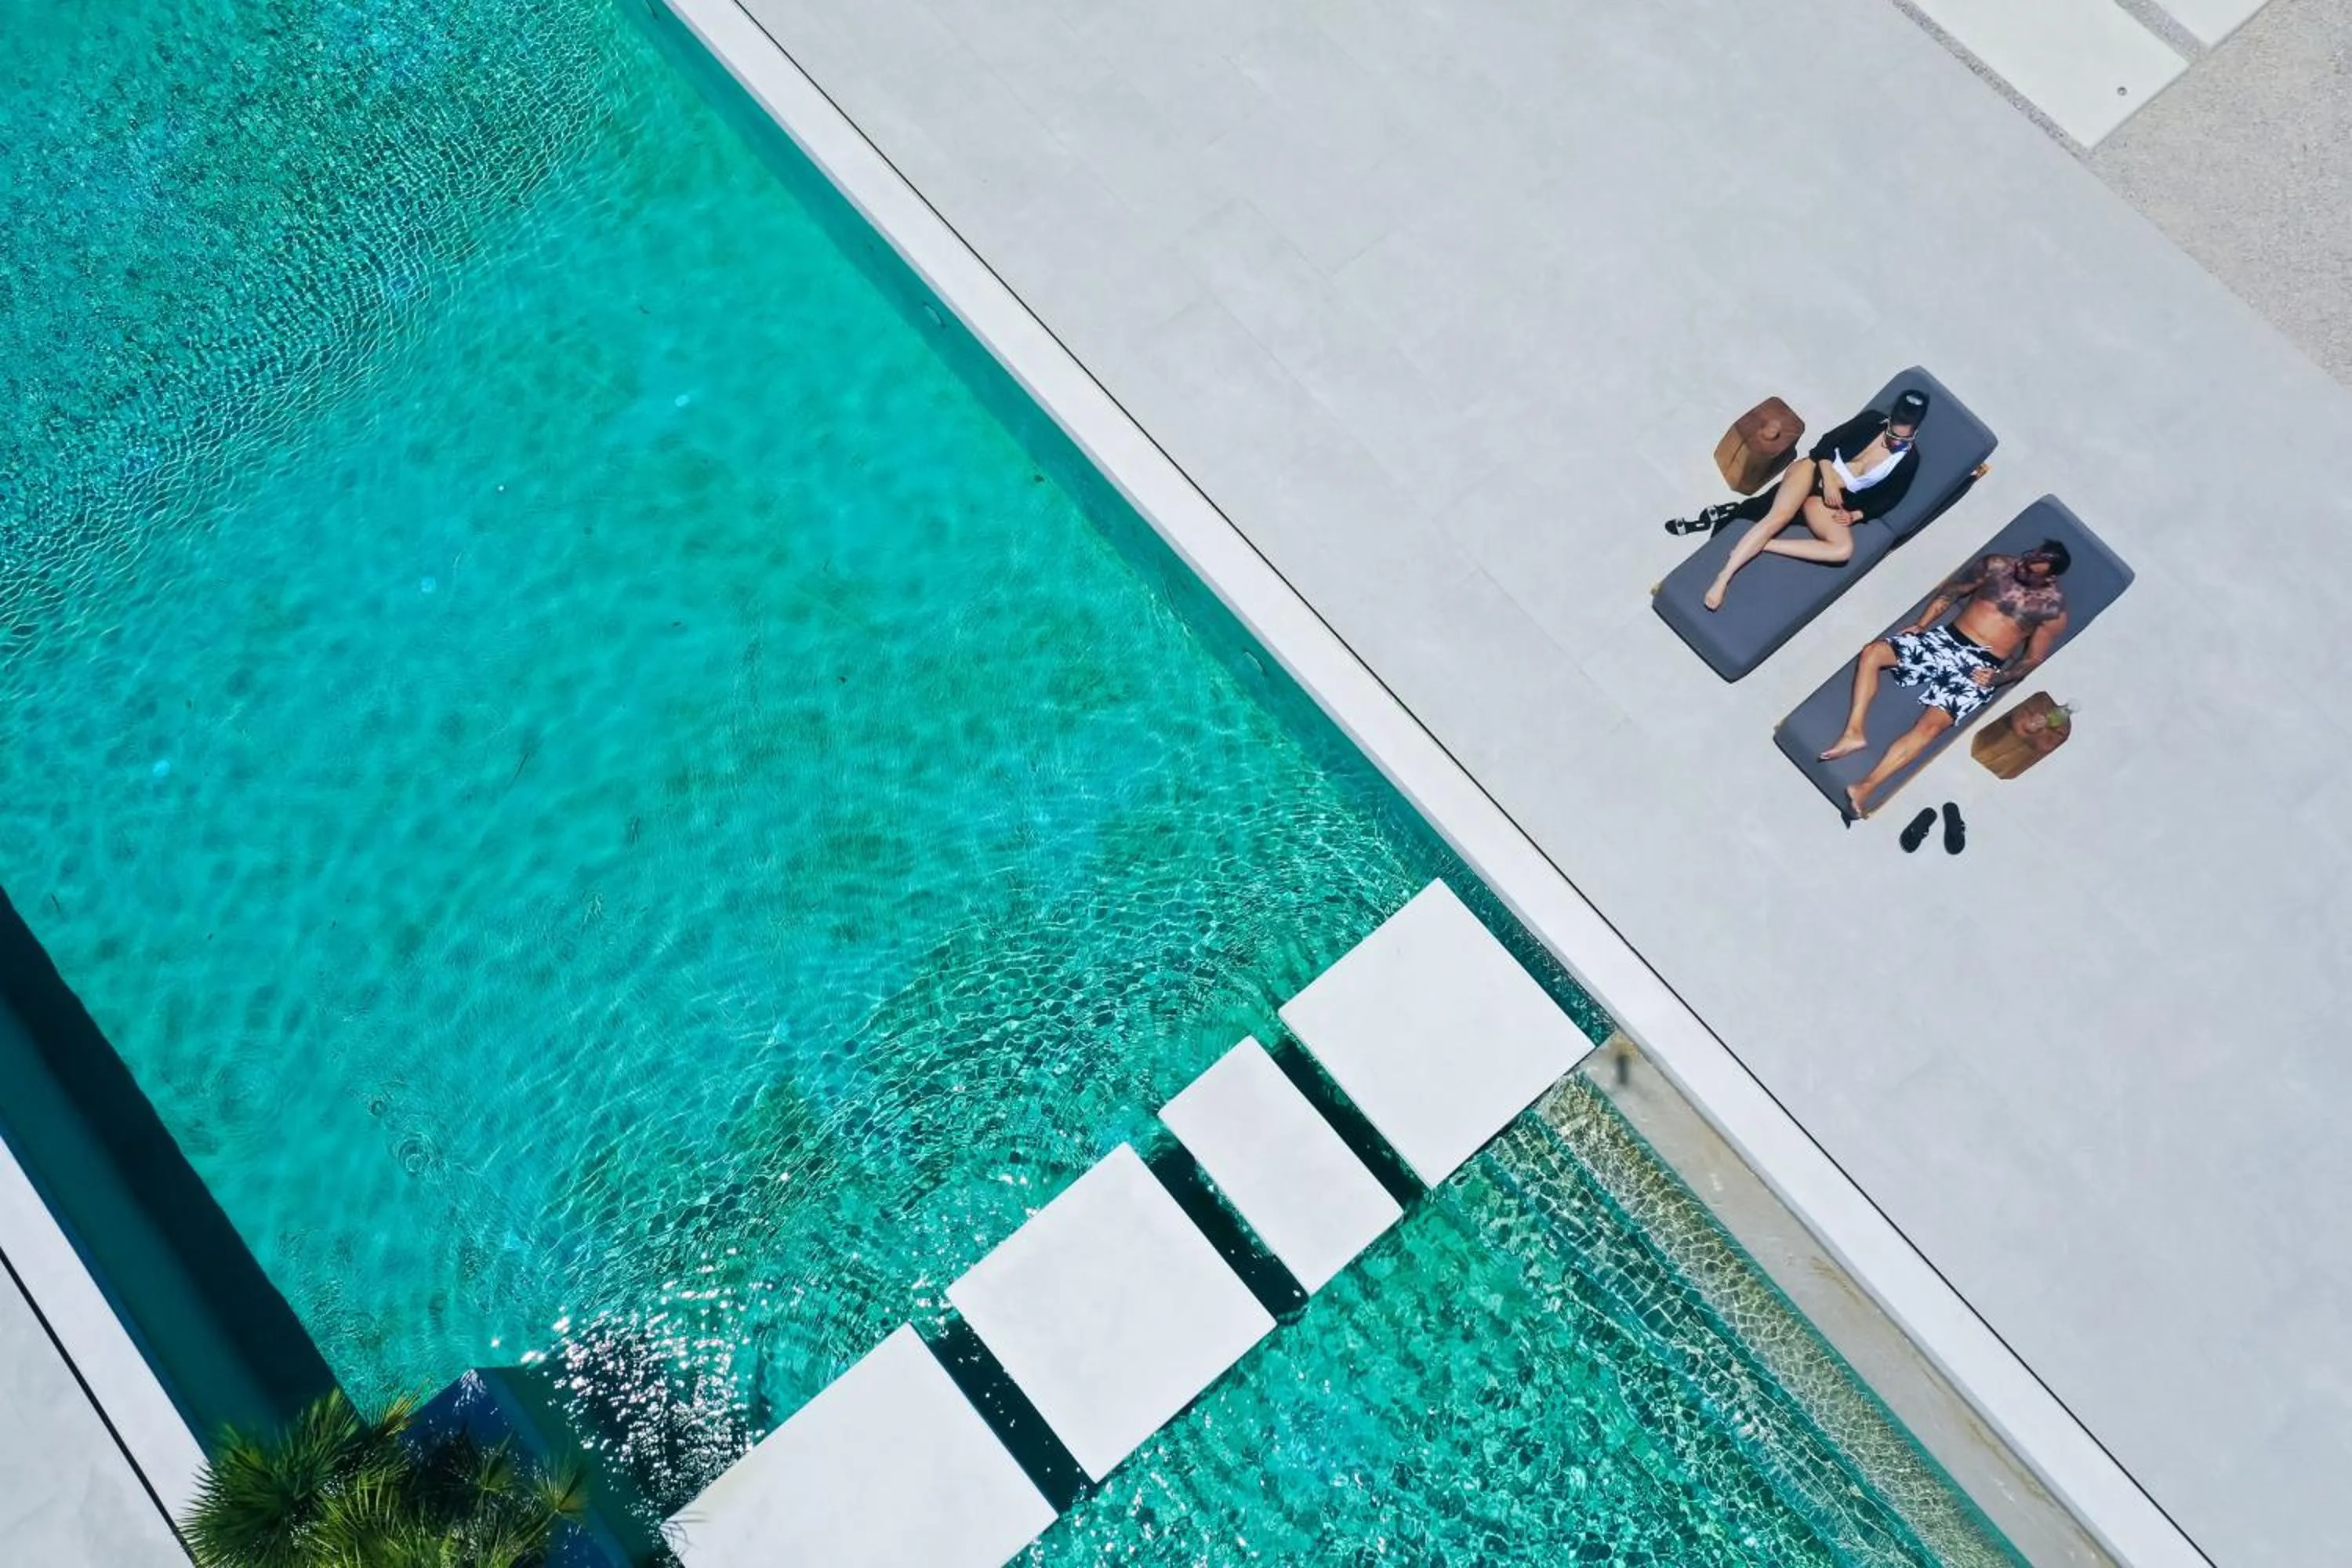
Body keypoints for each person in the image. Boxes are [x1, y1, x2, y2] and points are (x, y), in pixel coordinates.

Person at [1821, 541, 2072, 819]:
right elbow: (1953, 591)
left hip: (1983, 666)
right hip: (1946, 640)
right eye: (2026, 559)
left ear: (2049, 577)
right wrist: (1922, 624)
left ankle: (1865, 788)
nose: (2022, 568)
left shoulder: (2053, 611)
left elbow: (2033, 659)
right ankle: (1854, 732)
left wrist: (1999, 678)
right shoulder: (1997, 566)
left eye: (2031, 571)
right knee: (1873, 653)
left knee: (1929, 728)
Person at [1668, 389, 1930, 612]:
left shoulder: (1909, 461)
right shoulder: (1873, 421)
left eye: (1900, 439)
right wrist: (1828, 479)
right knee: (1777, 516)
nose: (1892, 442)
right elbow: (1825, 445)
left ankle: (1766, 544)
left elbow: (1891, 498)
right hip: (1815, 470)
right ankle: (1723, 578)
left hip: (1831, 502)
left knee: (1842, 551)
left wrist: (1857, 515)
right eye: (1891, 434)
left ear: (1915, 431)